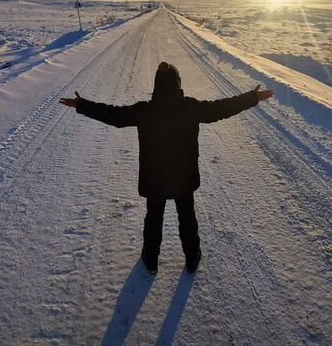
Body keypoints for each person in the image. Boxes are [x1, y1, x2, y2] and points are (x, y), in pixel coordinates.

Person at [59, 62, 274, 274]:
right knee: (187, 218)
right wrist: (252, 97)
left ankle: (151, 261)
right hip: (183, 177)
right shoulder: (191, 107)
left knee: (154, 219)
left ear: (156, 85)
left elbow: (114, 115)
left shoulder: (145, 110)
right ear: (178, 83)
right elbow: (222, 108)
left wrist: (82, 105)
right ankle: (192, 259)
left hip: (155, 180)